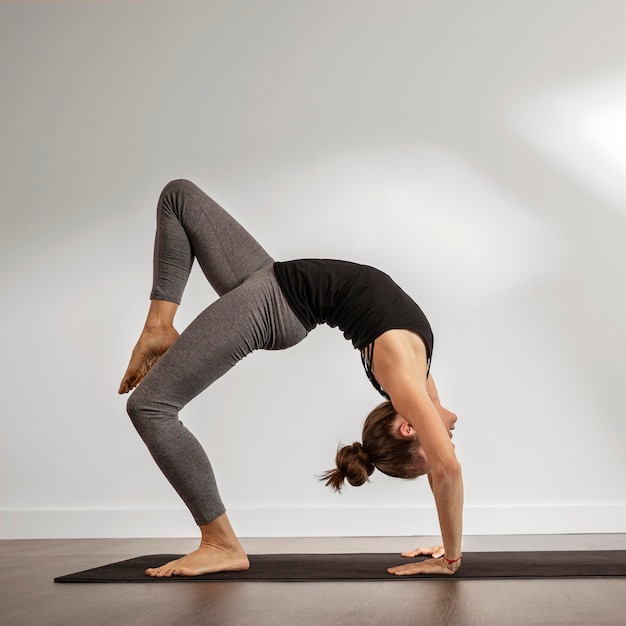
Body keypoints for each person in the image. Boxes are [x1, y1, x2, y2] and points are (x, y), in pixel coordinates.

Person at [119, 179, 463, 577]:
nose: (449, 446)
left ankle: (220, 542)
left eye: (439, 447)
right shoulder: (414, 382)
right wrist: (449, 548)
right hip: (273, 278)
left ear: (406, 426)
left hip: (273, 307)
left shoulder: (406, 382)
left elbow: (445, 470)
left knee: (149, 408)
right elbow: (445, 470)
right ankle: (159, 326)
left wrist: (449, 555)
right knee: (179, 197)